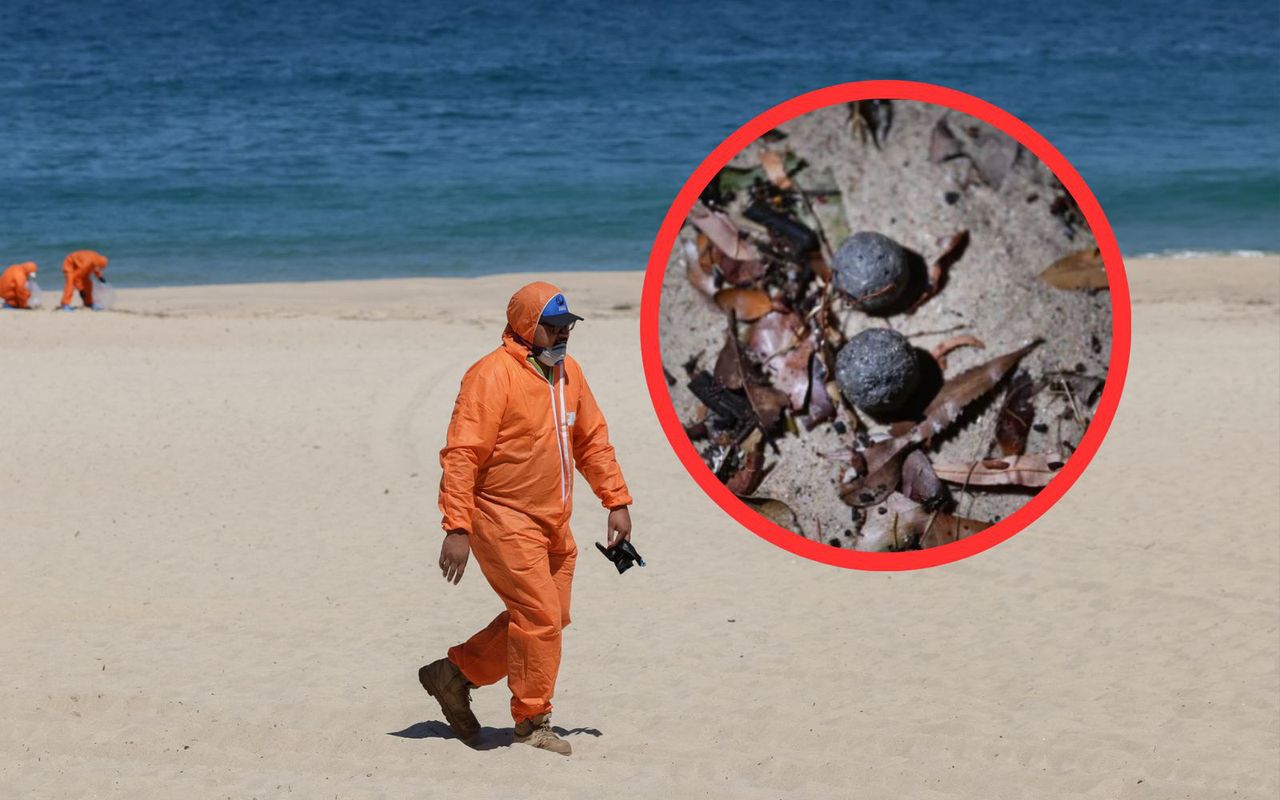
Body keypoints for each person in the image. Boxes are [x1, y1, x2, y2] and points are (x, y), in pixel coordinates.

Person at [420, 281, 633, 757]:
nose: (562, 335)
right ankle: (532, 721)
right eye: (552, 327)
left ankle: (452, 676)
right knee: (539, 617)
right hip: (500, 517)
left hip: (554, 522)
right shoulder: (490, 376)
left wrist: (615, 501)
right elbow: (461, 456)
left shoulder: (569, 373)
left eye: (567, 326)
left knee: (549, 619)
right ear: (526, 327)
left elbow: (592, 440)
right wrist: (457, 526)